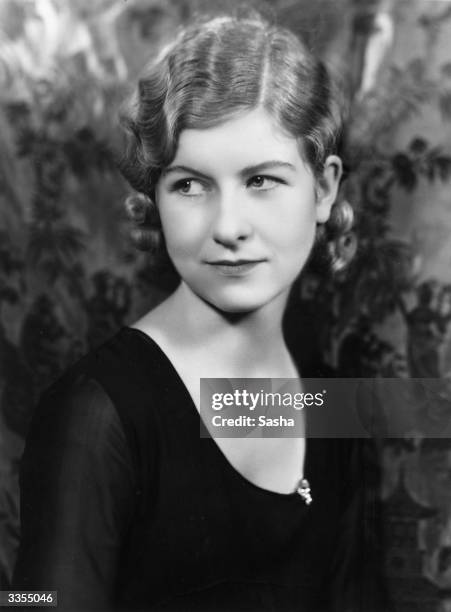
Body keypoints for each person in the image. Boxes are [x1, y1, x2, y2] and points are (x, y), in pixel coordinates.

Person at [12, 12, 387, 612]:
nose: (229, 227)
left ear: (324, 189)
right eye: (190, 185)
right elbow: (36, 602)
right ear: (155, 199)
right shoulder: (94, 415)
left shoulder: (334, 407)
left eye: (262, 180)